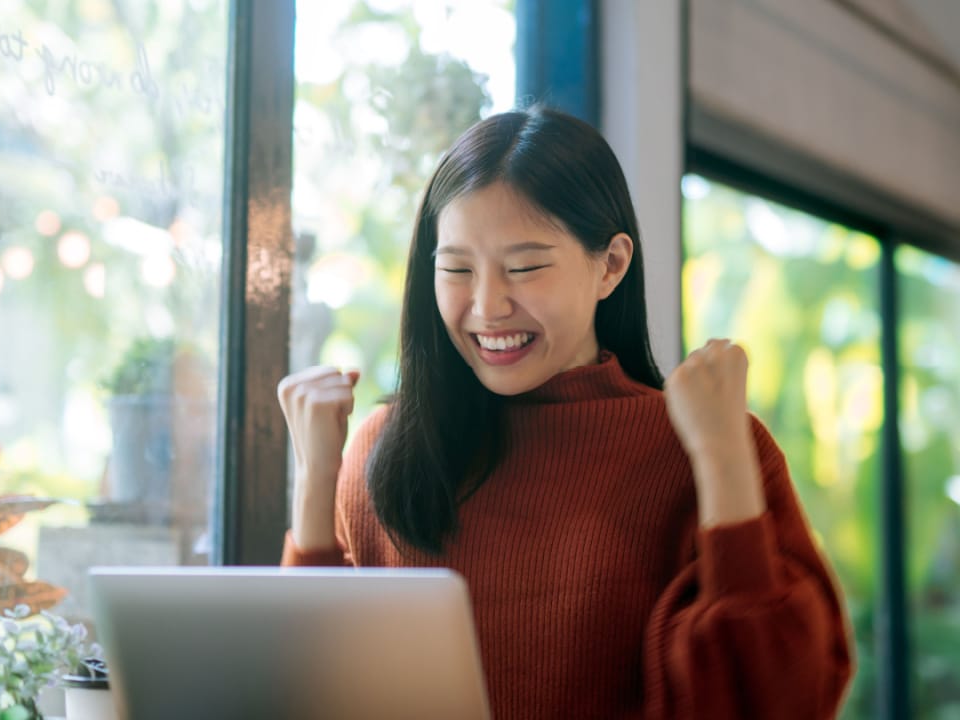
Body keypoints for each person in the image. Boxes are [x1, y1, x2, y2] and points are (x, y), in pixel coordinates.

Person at [276, 106, 853, 719]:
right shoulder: (383, 450)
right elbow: (304, 691)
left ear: (611, 266)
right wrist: (317, 479)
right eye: (456, 270)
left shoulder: (701, 445)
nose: (487, 306)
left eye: (524, 268)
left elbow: (785, 699)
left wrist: (720, 457)